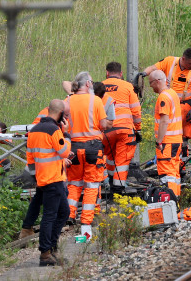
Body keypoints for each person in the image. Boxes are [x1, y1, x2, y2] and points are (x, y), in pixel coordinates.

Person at [25, 99, 71, 266]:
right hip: (53, 180)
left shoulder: (34, 130)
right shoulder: (54, 130)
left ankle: (51, 247)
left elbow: (29, 158)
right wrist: (66, 134)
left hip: (43, 179)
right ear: (59, 114)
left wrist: (36, 177)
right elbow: (64, 152)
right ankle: (45, 254)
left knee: (63, 212)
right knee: (50, 216)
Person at [65, 71, 109, 237]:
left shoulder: (67, 101)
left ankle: (69, 215)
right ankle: (86, 220)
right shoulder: (96, 100)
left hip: (74, 148)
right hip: (93, 147)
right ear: (89, 84)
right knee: (91, 184)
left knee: (74, 183)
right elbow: (103, 124)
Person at [144, 48, 191, 161]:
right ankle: (168, 159)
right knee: (167, 134)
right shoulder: (169, 62)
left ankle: (182, 164)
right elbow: (152, 68)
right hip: (169, 105)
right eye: (190, 63)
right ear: (183, 58)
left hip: (185, 106)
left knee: (184, 137)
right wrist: (143, 74)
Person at [102, 62, 142, 193]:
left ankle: (110, 180)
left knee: (109, 156)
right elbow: (136, 111)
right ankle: (118, 188)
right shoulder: (128, 86)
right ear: (121, 74)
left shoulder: (99, 86)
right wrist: (138, 129)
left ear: (107, 73)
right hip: (124, 130)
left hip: (106, 130)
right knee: (122, 159)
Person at [149, 70, 183, 197]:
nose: (150, 86)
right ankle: (176, 199)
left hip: (167, 142)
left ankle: (169, 202)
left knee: (166, 174)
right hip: (176, 140)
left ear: (157, 81)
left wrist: (159, 141)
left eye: (151, 83)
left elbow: (164, 120)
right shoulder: (172, 93)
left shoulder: (163, 97)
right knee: (174, 173)